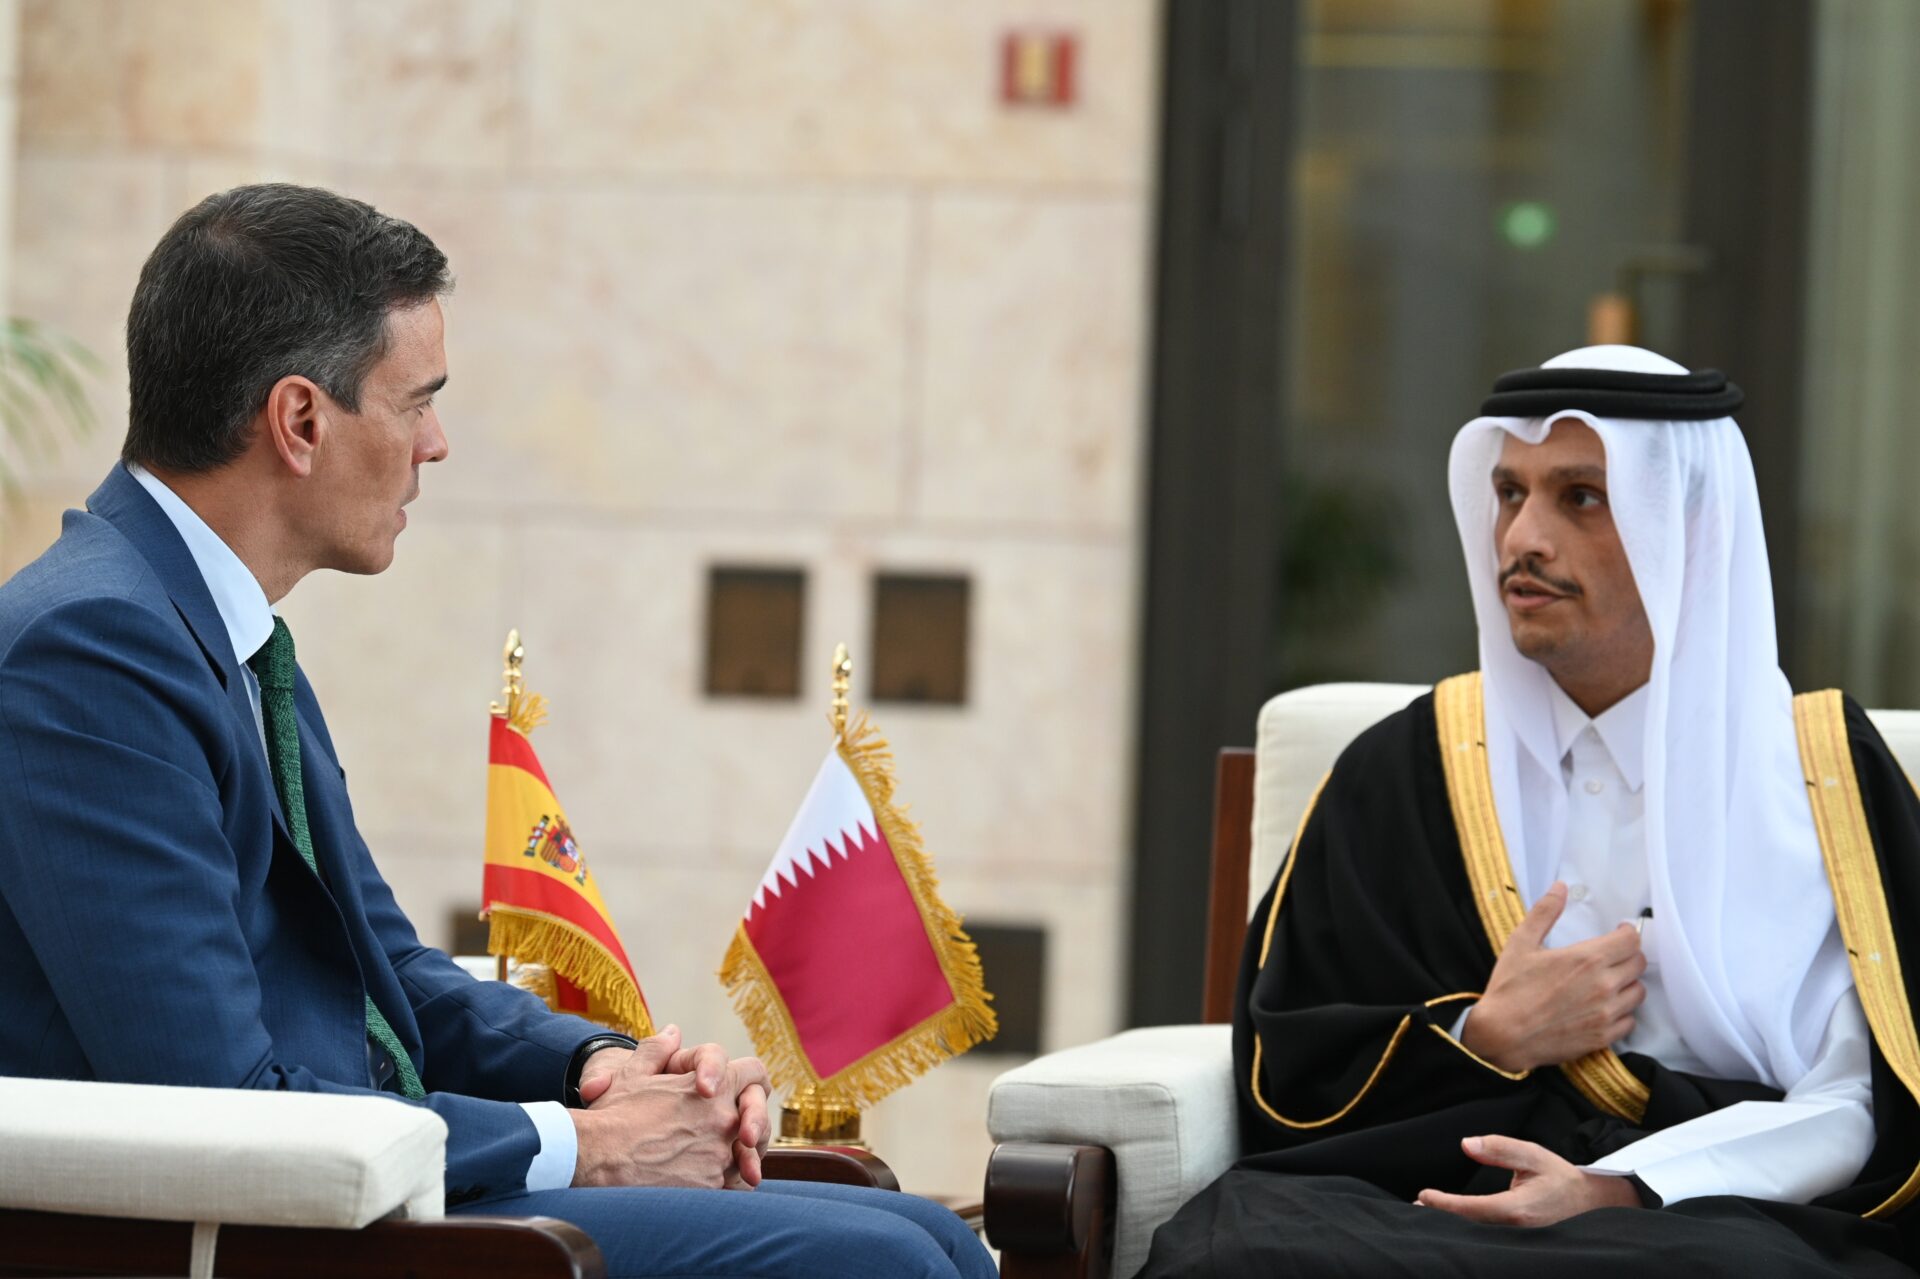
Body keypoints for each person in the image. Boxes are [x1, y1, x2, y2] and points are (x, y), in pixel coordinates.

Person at [0, 183, 994, 1279]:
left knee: (935, 1235)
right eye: (416, 402)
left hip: (367, 1196)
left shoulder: (211, 625)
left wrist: (596, 1067)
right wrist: (588, 1144)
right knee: (882, 1262)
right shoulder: (90, 651)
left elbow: (386, 972)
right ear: (300, 421)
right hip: (271, 1240)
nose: (436, 443)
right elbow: (224, 1105)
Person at [1143, 345, 1920, 1277]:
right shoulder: (1404, 771)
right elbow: (1293, 1069)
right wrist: (1484, 1035)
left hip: (1704, 1213)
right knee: (1241, 1252)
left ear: (1688, 527)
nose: (1523, 538)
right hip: (1425, 1194)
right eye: (1510, 493)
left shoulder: (1822, 777)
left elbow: (1862, 1100)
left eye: (1580, 497)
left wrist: (1620, 1186)